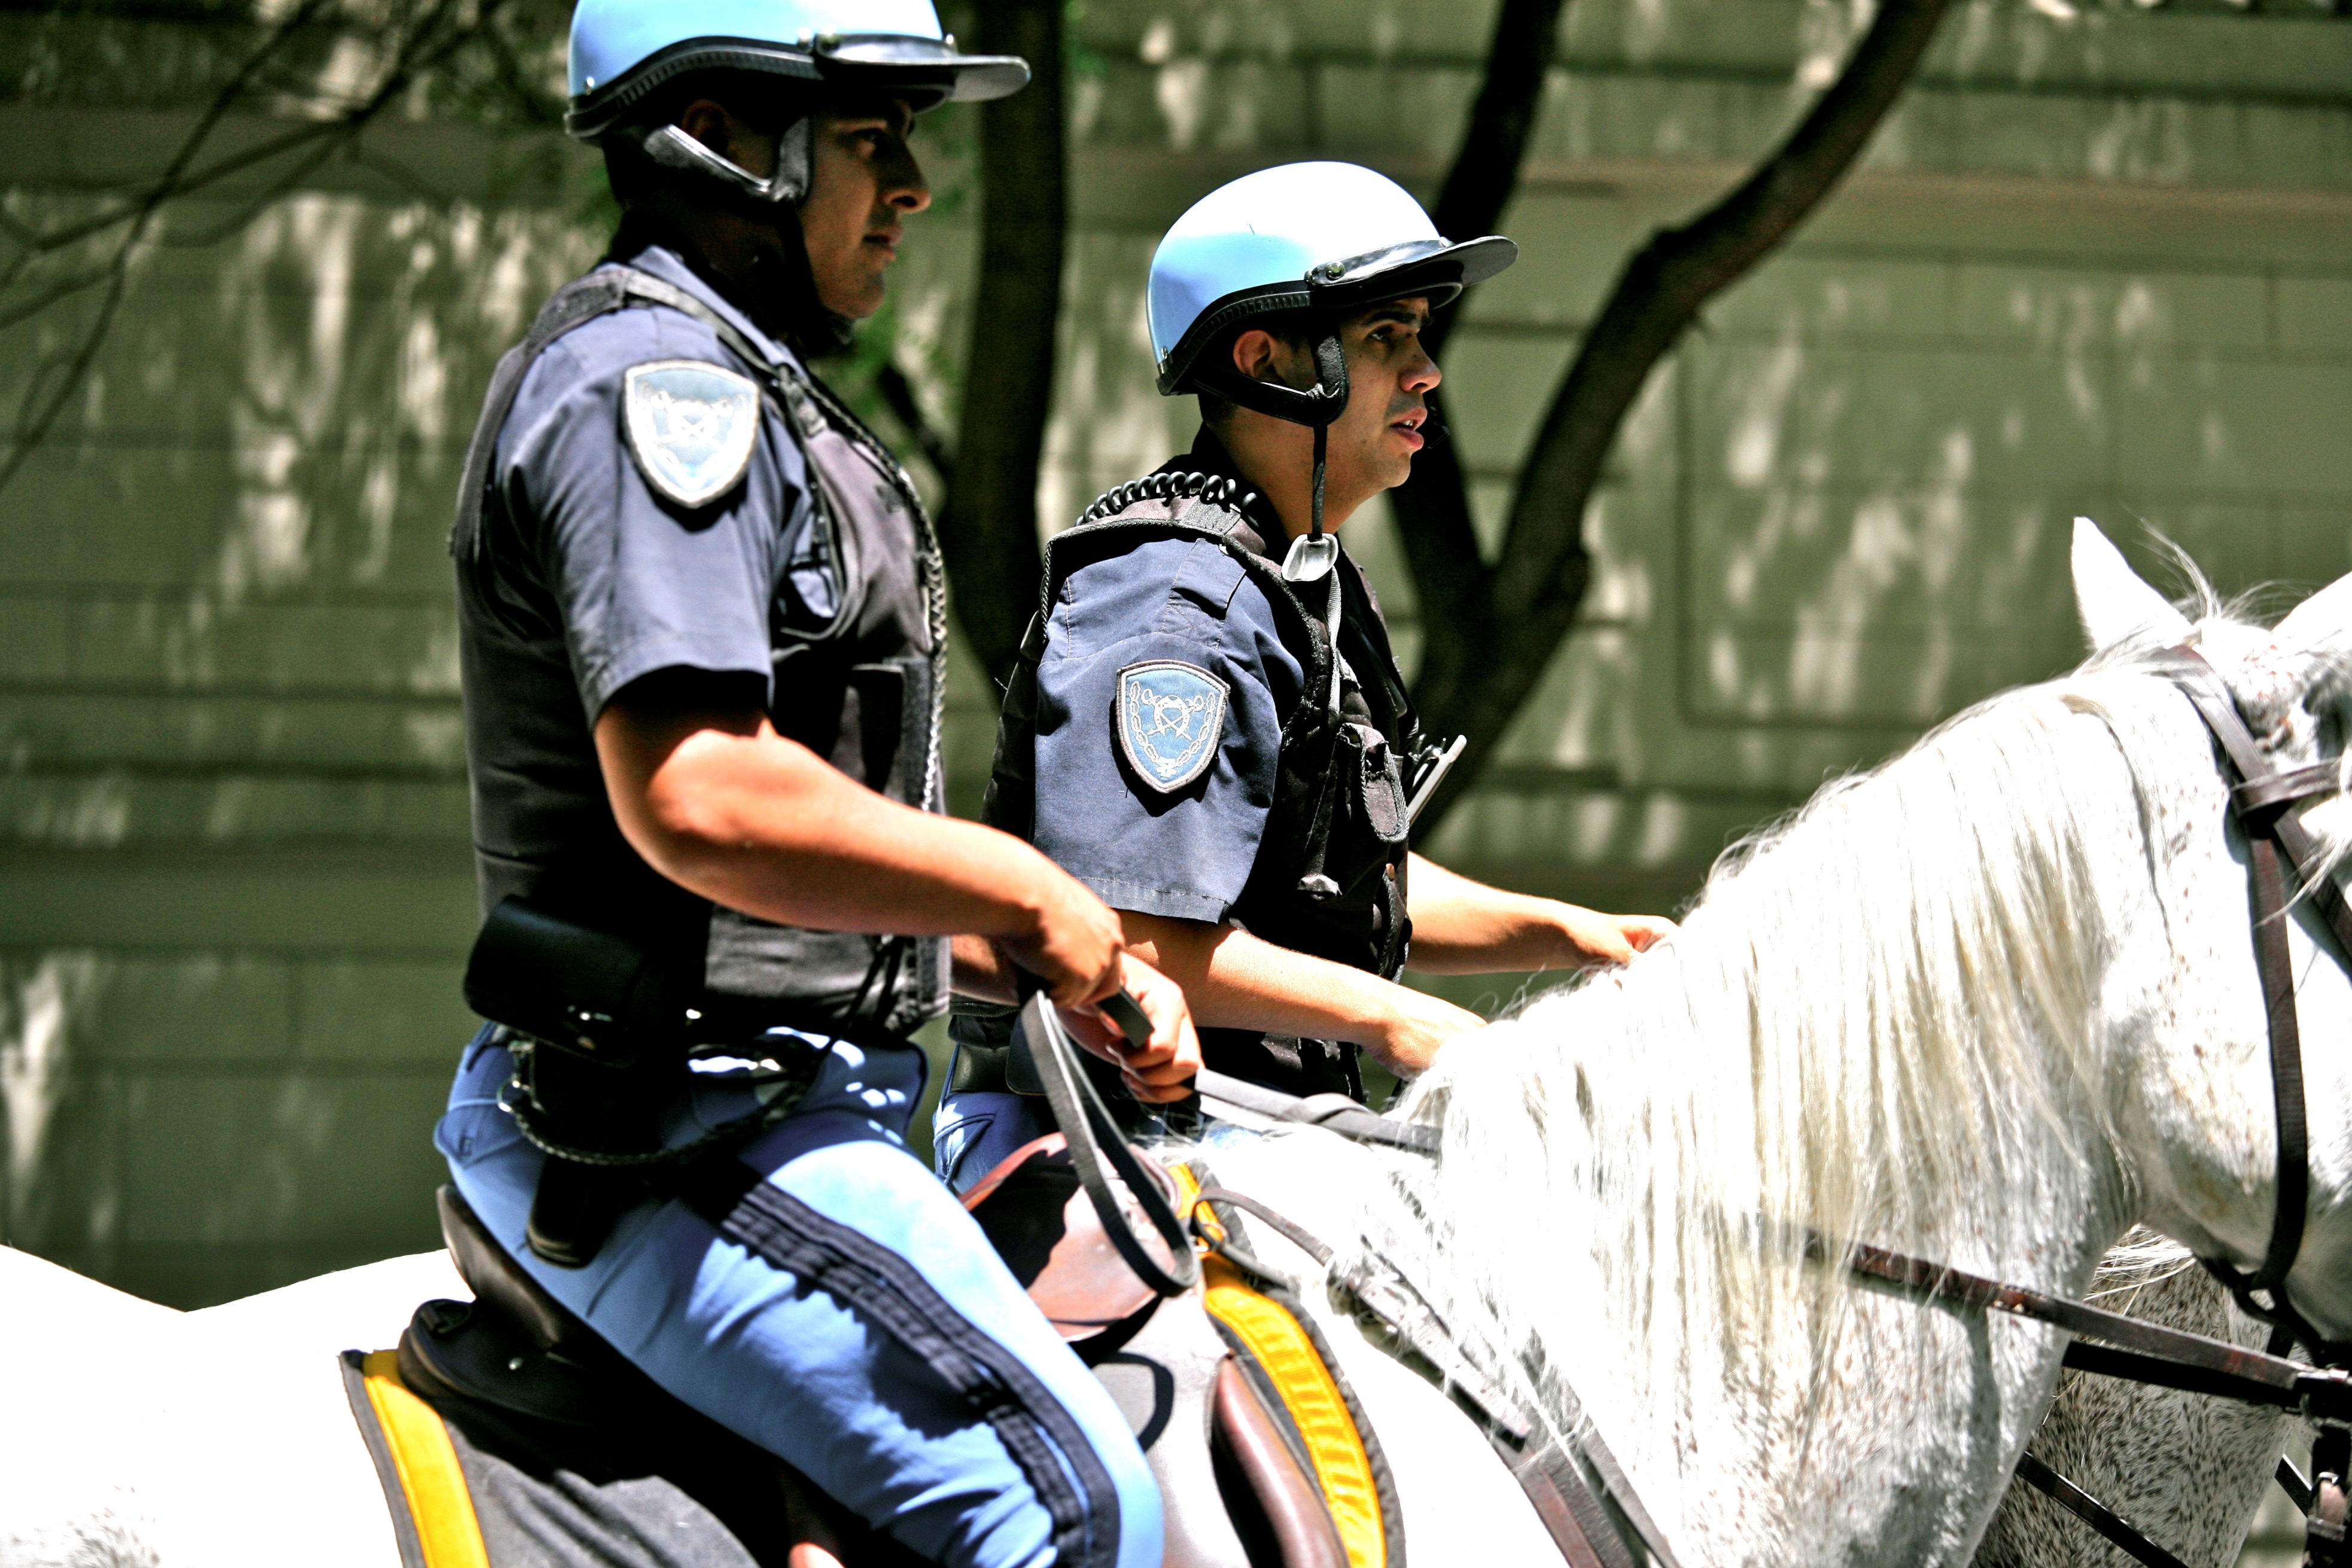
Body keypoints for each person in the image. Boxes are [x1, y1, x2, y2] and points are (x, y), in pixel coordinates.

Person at [436, 5, 1197, 1565]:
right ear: (719, 135)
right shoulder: (657, 390)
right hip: (679, 1134)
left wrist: (1049, 960)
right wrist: (1028, 885)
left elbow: (805, 868)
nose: (915, 183)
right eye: (870, 136)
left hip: (785, 1112)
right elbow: (702, 793)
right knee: (1078, 1507)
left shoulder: (744, 383)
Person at [936, 162, 1673, 1190]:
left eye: (1420, 335)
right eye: (1386, 337)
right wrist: (1394, 1016)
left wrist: (1564, 931)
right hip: (1099, 1145)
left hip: (1258, 1133)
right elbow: (1132, 940)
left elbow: (1331, 879)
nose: (1427, 371)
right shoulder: (1176, 606)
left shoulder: (1292, 578)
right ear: (1266, 358)